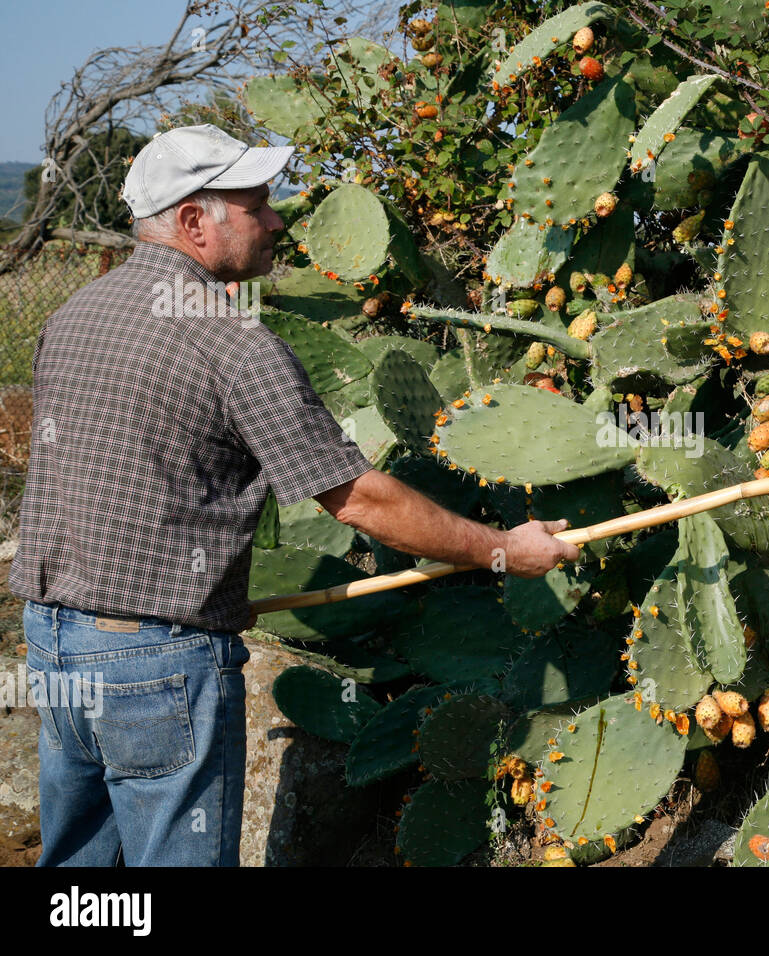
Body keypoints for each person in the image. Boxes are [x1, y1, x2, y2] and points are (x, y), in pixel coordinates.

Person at [7, 124, 580, 866]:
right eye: (256, 204)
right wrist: (503, 549)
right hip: (155, 667)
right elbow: (357, 502)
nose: (277, 221)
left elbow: (112, 475)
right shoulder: (232, 342)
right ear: (192, 222)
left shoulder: (71, 319)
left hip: (55, 646)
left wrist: (204, 587)